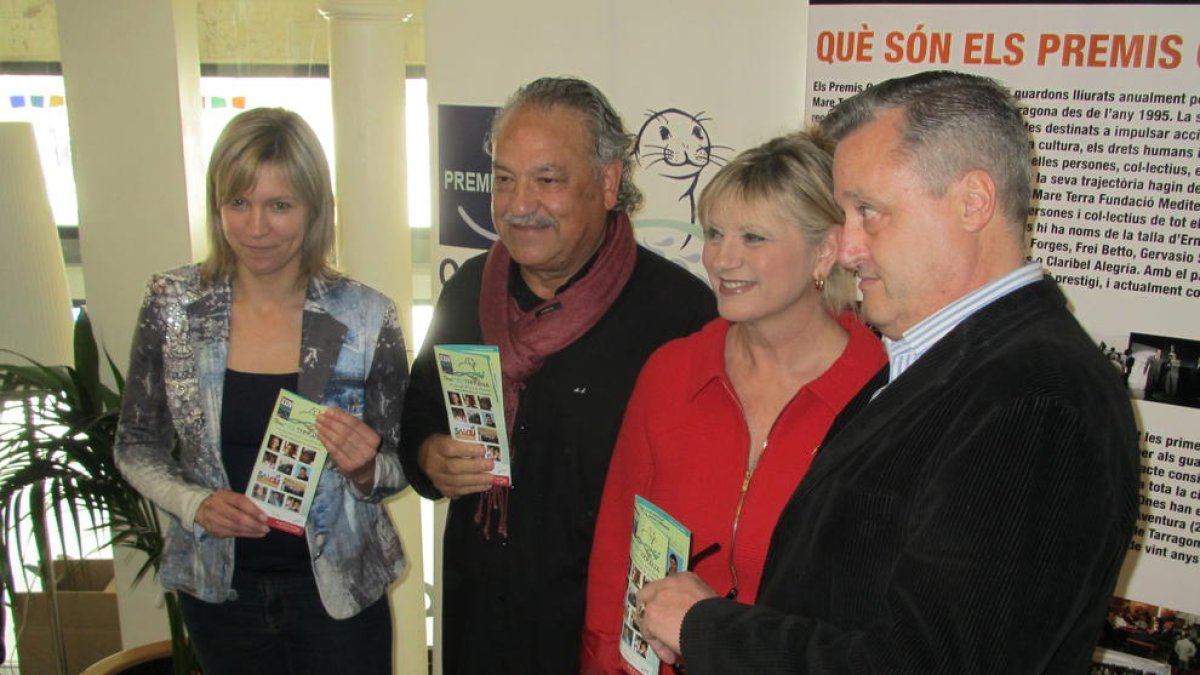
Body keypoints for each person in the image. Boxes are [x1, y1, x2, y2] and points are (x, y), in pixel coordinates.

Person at [633, 70, 1139, 674]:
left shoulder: (1035, 399)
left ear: (972, 202)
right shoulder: (940, 362)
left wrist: (708, 628)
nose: (845, 249)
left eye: (868, 212)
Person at [398, 76, 716, 674]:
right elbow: (419, 409)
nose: (519, 204)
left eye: (547, 179)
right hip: (478, 623)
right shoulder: (469, 290)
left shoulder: (680, 316)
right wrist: (428, 453)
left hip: (600, 636)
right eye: (503, 178)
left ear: (608, 182)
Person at [114, 108, 408, 675]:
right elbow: (135, 443)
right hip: (220, 593)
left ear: (314, 208)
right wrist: (193, 502)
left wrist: (368, 467)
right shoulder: (173, 305)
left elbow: (399, 462)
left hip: (338, 593)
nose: (255, 228)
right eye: (238, 204)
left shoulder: (367, 316)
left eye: (279, 205)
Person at [581, 132, 884, 674]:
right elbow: (615, 557)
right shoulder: (672, 372)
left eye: (753, 237)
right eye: (715, 233)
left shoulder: (881, 396)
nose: (722, 257)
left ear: (826, 249)